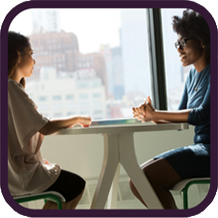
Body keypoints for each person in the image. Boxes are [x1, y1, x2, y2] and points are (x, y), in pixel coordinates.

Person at [129, 9, 210, 209]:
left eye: (183, 42)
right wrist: (150, 115)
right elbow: (180, 118)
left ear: (202, 40)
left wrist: (156, 114)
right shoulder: (191, 77)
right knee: (137, 180)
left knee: (144, 180)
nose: (178, 49)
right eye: (177, 44)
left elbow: (203, 114)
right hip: (201, 148)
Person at [8, 31, 92, 210]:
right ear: (17, 55)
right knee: (75, 185)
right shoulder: (10, 88)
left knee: (64, 189)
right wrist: (77, 118)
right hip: (18, 176)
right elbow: (44, 127)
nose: (34, 61)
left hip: (14, 172)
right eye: (30, 54)